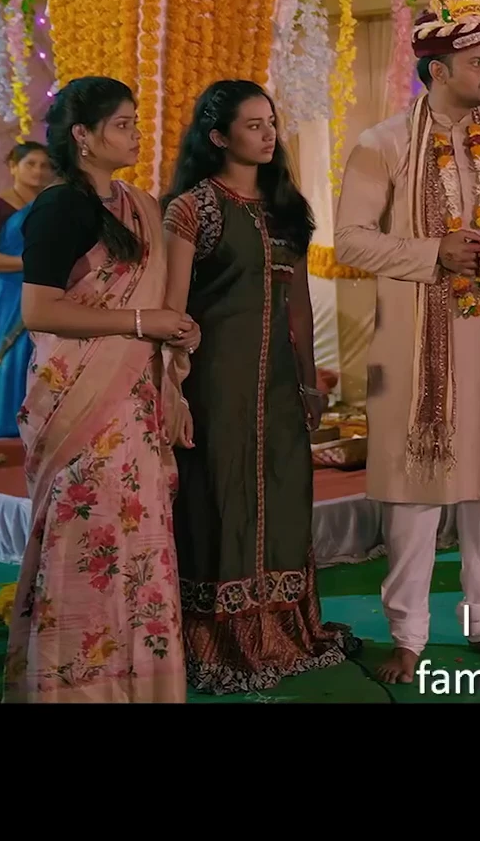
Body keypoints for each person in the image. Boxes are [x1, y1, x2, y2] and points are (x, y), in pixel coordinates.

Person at [333, 0, 480, 682]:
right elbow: (351, 240)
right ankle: (409, 633)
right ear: (438, 69)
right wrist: (436, 253)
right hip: (411, 344)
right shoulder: (383, 144)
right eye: (479, 61)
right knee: (414, 493)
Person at [5, 76, 197, 703]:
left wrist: (173, 335)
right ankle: (77, 687)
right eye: (122, 123)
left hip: (135, 397)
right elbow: (39, 310)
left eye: (135, 121)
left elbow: (155, 306)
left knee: (139, 535)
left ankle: (142, 682)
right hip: (80, 397)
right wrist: (142, 322)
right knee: (85, 536)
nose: (135, 132)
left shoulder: (139, 205)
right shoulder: (60, 207)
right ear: (82, 136)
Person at [162, 80, 357, 694]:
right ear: (218, 137)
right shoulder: (192, 209)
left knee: (284, 494)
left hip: (278, 385)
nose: (269, 134)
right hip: (214, 381)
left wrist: (310, 382)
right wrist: (171, 387)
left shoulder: (285, 207)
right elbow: (172, 309)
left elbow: (298, 306)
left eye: (271, 122)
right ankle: (218, 641)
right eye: (254, 125)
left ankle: (286, 629)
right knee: (221, 498)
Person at [0, 142, 55, 440]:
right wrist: (27, 263)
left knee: (44, 356)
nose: (38, 171)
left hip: (45, 289)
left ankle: (40, 432)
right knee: (12, 356)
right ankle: (6, 432)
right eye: (31, 164)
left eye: (45, 165)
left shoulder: (51, 206)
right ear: (13, 167)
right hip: (9, 291)